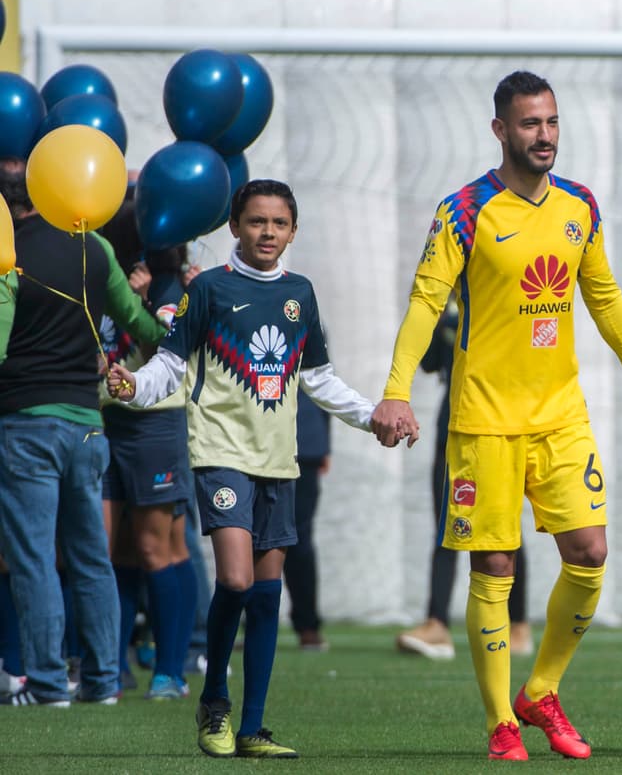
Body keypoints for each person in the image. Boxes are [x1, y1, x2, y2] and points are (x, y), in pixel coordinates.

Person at [370, 70, 622, 761]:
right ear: (500, 129)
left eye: (553, 122)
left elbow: (607, 301)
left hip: (560, 414)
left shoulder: (580, 207)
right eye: (531, 123)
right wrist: (397, 390)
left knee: (589, 553)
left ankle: (543, 688)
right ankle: (502, 719)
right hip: (482, 418)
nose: (545, 136)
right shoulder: (464, 210)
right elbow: (424, 303)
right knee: (495, 563)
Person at [108, 179, 388, 757]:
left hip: (276, 463)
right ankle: (214, 700)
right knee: (234, 579)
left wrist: (374, 415)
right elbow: (170, 363)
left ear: (292, 231)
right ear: (235, 226)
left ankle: (253, 729)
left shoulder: (300, 294)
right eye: (256, 221)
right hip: (220, 455)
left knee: (265, 595)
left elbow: (317, 379)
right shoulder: (208, 289)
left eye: (279, 223)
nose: (267, 233)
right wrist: (134, 387)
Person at [0, 164, 168, 706]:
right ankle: (102, 682)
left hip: (26, 423)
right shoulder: (94, 247)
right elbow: (141, 327)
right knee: (92, 558)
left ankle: (48, 684)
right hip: (89, 429)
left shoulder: (9, 252)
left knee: (33, 559)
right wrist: (178, 330)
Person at [97, 201, 201, 700]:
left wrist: (143, 299)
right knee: (112, 548)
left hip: (154, 425)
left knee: (158, 548)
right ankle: (111, 667)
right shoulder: (94, 275)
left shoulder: (165, 285)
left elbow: (168, 347)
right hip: (103, 420)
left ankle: (171, 668)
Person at [396, 303, 532, 661]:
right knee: (447, 529)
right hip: (452, 433)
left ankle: (518, 625)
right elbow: (428, 365)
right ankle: (437, 624)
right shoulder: (452, 320)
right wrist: (435, 317)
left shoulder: (511, 311)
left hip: (501, 434)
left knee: (506, 530)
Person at [286, 389, 330, 652]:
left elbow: (323, 380)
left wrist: (323, 444)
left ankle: (307, 625)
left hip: (304, 442)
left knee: (300, 539)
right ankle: (251, 617)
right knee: (251, 535)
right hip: (255, 442)